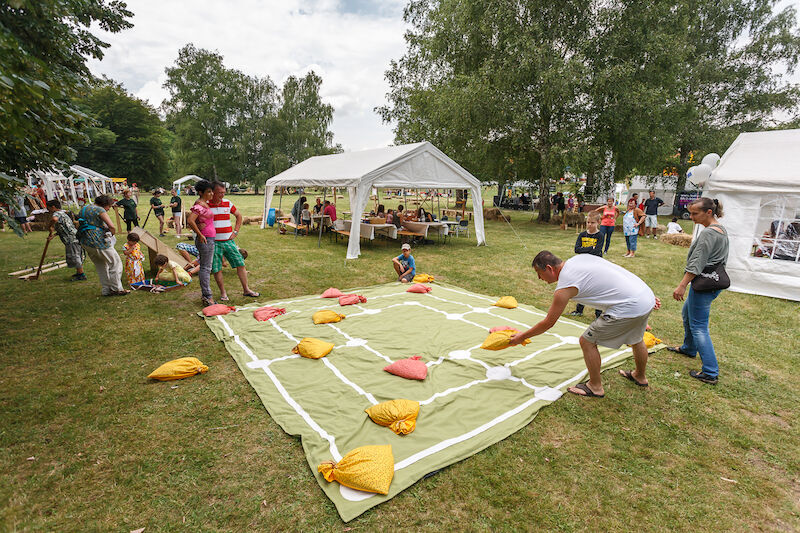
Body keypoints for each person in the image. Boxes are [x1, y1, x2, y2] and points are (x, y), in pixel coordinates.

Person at [510, 251, 660, 398]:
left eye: (538, 272)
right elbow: (615, 272)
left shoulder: (564, 286)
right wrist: (644, 295)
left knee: (586, 341)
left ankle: (595, 387)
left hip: (629, 306)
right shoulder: (579, 259)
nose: (538, 278)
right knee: (636, 338)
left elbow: (548, 322)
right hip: (645, 297)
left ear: (549, 268)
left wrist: (521, 337)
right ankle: (640, 376)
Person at [667, 198, 729, 385]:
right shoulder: (720, 229)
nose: (691, 217)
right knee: (688, 313)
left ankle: (710, 371)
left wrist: (682, 284)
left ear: (708, 212)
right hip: (712, 283)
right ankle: (689, 347)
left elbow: (697, 262)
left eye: (695, 213)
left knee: (699, 327)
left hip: (703, 284)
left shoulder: (709, 234)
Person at [208, 181, 259, 300]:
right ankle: (223, 293)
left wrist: (235, 231)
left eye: (223, 192)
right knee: (217, 268)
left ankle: (246, 290)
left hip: (229, 241)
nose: (222, 195)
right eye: (220, 193)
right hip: (214, 242)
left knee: (240, 263)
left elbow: (239, 216)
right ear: (213, 192)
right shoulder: (206, 205)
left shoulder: (227, 203)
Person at [76, 195, 128, 296]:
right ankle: (117, 289)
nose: (109, 209)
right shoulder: (100, 210)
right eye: (109, 206)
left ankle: (106, 290)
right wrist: (111, 234)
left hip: (85, 240)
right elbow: (111, 226)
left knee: (101, 265)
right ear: (105, 204)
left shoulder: (84, 208)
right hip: (98, 241)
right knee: (115, 263)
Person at [186, 180, 217, 306]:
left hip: (209, 238)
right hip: (206, 239)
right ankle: (207, 297)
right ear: (200, 192)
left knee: (206, 267)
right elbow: (190, 220)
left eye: (211, 191)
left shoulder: (204, 204)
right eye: (208, 192)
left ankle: (207, 296)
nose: (211, 194)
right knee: (205, 268)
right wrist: (200, 234)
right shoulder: (199, 205)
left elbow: (198, 220)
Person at [568, 212, 602, 318]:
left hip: (596, 266)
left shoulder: (600, 236)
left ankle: (598, 313)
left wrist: (585, 250)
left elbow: (597, 251)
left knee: (596, 290)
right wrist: (590, 249)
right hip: (583, 266)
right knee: (582, 288)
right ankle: (579, 310)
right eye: (588, 222)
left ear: (598, 223)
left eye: (592, 223)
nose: (590, 225)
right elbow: (577, 249)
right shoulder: (582, 235)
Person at [45, 199, 86, 281]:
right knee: (76, 255)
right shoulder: (63, 213)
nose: (47, 210)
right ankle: (79, 272)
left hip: (71, 239)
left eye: (48, 208)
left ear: (53, 207)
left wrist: (49, 226)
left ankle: (81, 275)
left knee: (75, 256)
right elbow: (64, 228)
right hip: (74, 237)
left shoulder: (57, 214)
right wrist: (54, 235)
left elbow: (54, 220)